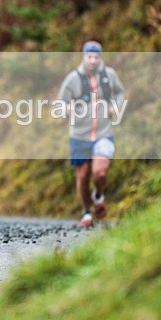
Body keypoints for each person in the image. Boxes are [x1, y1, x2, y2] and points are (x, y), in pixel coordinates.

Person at [58, 41, 125, 228]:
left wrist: (116, 106)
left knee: (100, 172)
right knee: (83, 175)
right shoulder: (73, 79)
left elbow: (119, 92)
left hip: (103, 132)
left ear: (100, 58)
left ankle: (98, 194)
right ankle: (87, 213)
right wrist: (67, 109)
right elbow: (60, 102)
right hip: (79, 135)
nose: (93, 61)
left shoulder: (109, 75)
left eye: (96, 57)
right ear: (84, 57)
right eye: (89, 57)